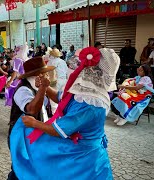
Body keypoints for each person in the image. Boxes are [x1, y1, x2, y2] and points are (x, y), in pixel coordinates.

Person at [9, 47, 120, 179]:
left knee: (41, 160)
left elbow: (58, 129)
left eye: (77, 65)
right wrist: (44, 87)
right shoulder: (82, 92)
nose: (72, 68)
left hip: (85, 158)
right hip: (77, 148)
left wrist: (34, 123)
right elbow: (61, 98)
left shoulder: (91, 103)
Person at [7, 56, 54, 180]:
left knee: (31, 166)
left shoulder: (35, 87)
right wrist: (43, 88)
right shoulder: (23, 90)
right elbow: (32, 110)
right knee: (20, 168)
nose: (48, 75)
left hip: (34, 135)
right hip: (21, 137)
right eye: (45, 73)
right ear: (38, 75)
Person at [46, 48, 68, 114]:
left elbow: (49, 70)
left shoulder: (52, 61)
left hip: (56, 81)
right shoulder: (63, 61)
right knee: (62, 98)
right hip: (64, 80)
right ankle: (62, 114)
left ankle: (55, 115)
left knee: (54, 99)